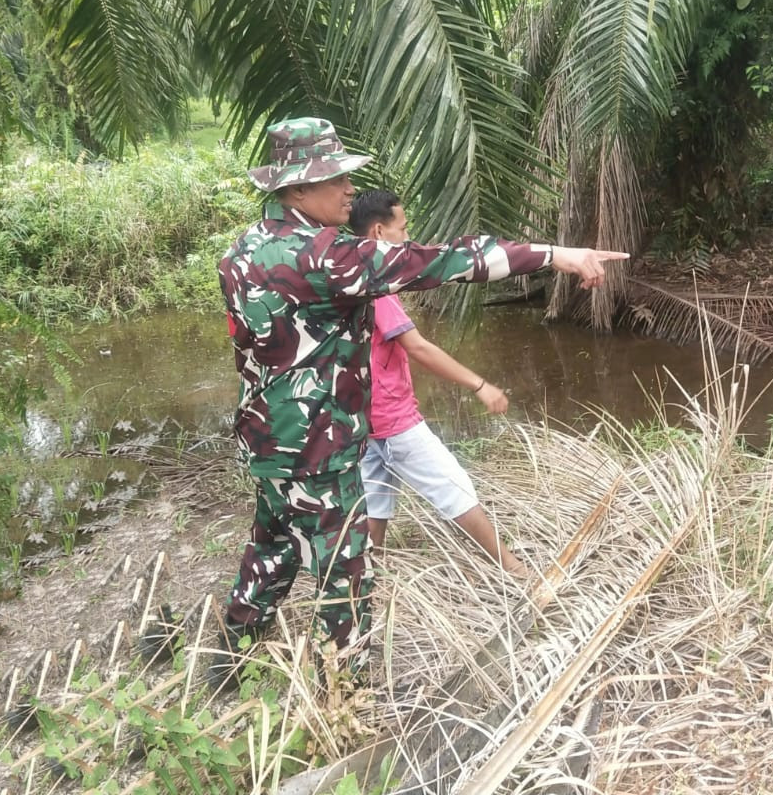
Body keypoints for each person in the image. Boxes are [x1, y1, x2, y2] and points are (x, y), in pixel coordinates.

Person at [208, 116, 626, 688]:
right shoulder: (327, 256)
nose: (350, 190)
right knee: (344, 573)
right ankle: (345, 692)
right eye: (335, 179)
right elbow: (438, 261)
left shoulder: (244, 248)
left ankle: (229, 662)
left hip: (267, 441)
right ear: (298, 189)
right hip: (318, 447)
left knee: (273, 545)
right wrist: (555, 255)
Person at [348, 190, 524, 577]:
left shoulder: (348, 276)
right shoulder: (377, 291)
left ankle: (369, 572)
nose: (408, 238)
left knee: (374, 496)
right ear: (378, 232)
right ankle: (512, 567)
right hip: (393, 419)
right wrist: (480, 385)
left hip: (364, 417)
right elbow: (419, 348)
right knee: (453, 487)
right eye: (402, 229)